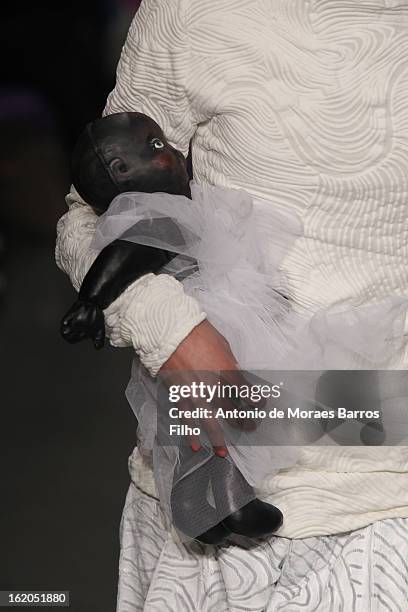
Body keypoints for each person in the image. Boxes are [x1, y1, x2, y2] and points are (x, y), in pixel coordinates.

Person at [56, 1, 408, 609]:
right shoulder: (191, 11)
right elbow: (92, 212)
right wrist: (171, 330)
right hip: (214, 460)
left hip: (388, 479)